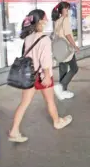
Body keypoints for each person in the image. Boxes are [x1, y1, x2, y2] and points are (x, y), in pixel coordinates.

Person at [9, 10, 72, 143]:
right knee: (50, 101)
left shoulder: (28, 37)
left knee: (24, 103)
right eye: (45, 17)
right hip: (42, 75)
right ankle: (57, 121)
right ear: (40, 21)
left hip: (29, 75)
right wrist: (47, 76)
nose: (47, 19)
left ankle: (14, 130)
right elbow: (45, 60)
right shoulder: (44, 39)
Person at [52, 1, 79, 100]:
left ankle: (62, 91)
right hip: (67, 48)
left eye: (68, 9)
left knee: (63, 70)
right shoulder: (65, 20)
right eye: (66, 9)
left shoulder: (57, 20)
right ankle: (61, 87)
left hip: (60, 50)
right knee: (74, 68)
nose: (67, 11)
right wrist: (75, 46)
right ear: (62, 10)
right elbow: (67, 34)